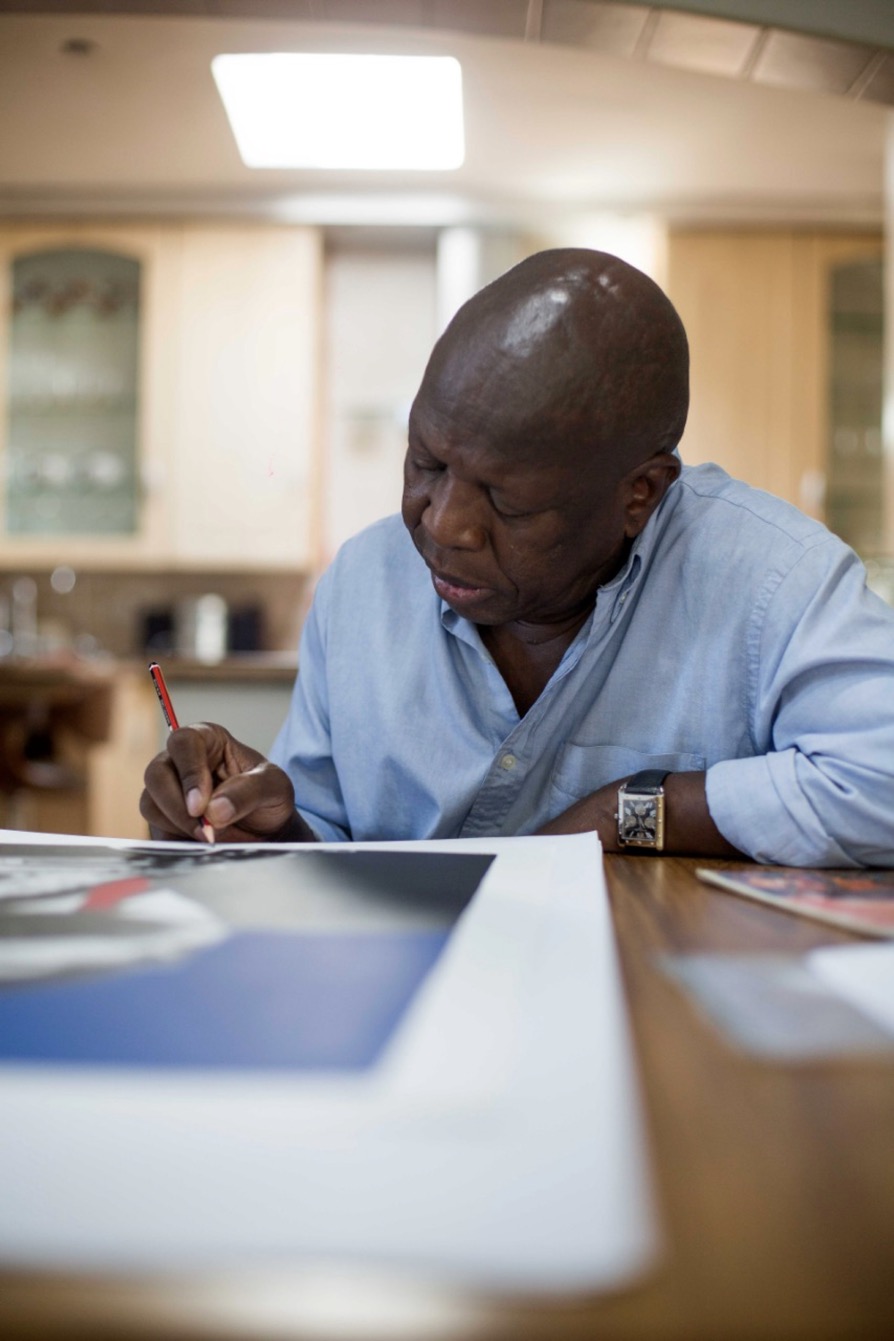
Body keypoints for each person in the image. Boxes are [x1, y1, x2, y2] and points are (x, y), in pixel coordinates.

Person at [141, 248, 894, 867]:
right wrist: (262, 828)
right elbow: (324, 855)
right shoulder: (363, 585)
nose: (444, 523)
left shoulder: (769, 578)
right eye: (425, 463)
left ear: (641, 494)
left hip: (651, 1019)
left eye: (509, 502)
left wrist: (629, 808)